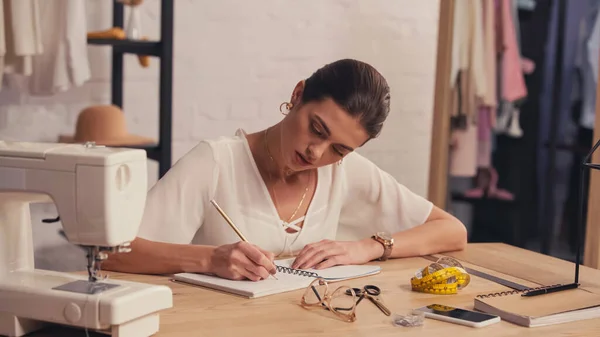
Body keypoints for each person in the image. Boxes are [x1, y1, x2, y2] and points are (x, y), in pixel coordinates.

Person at [102, 58, 467, 281]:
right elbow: (112, 252)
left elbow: (452, 231)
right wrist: (209, 259)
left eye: (338, 148)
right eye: (317, 128)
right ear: (297, 95)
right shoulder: (216, 162)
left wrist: (367, 247)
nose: (316, 152)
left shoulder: (346, 171)